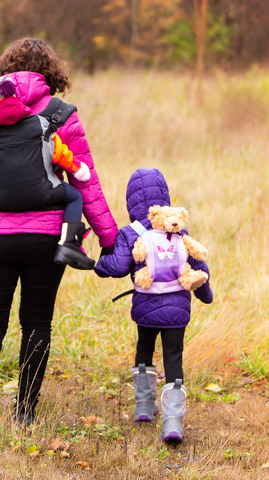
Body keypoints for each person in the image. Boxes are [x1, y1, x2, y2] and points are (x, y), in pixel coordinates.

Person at [0, 38, 118, 425]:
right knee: (36, 321)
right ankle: (26, 412)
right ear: (52, 74)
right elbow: (87, 183)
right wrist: (110, 237)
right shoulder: (62, 114)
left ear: (3, 72)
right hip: (48, 239)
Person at [95, 168, 213, 442]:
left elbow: (115, 267)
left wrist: (98, 263)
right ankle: (173, 421)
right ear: (166, 196)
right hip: (178, 310)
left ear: (130, 202)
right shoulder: (178, 230)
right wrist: (205, 294)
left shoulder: (130, 232)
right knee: (174, 357)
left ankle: (145, 406)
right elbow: (199, 264)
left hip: (145, 307)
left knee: (144, 348)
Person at [0, 75, 94, 270]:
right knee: (75, 196)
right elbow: (61, 154)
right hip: (44, 195)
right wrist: (78, 169)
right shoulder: (41, 126)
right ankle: (69, 244)